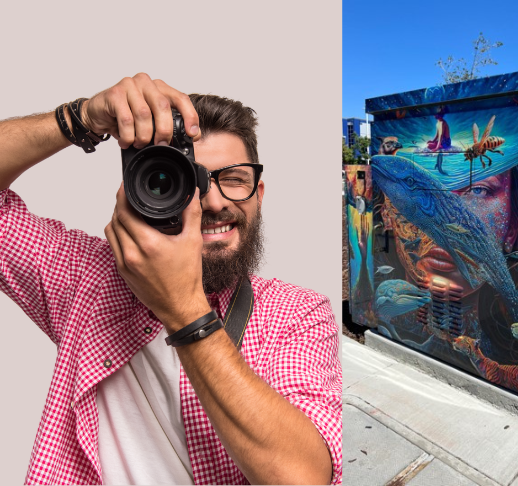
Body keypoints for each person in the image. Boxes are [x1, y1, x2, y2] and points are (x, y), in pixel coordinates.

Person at [0, 74, 340, 484]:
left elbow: (305, 478)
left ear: (258, 193)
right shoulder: (85, 278)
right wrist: (79, 119)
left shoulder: (298, 314)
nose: (214, 201)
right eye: (189, 180)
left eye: (234, 179)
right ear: (145, 189)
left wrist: (184, 309)